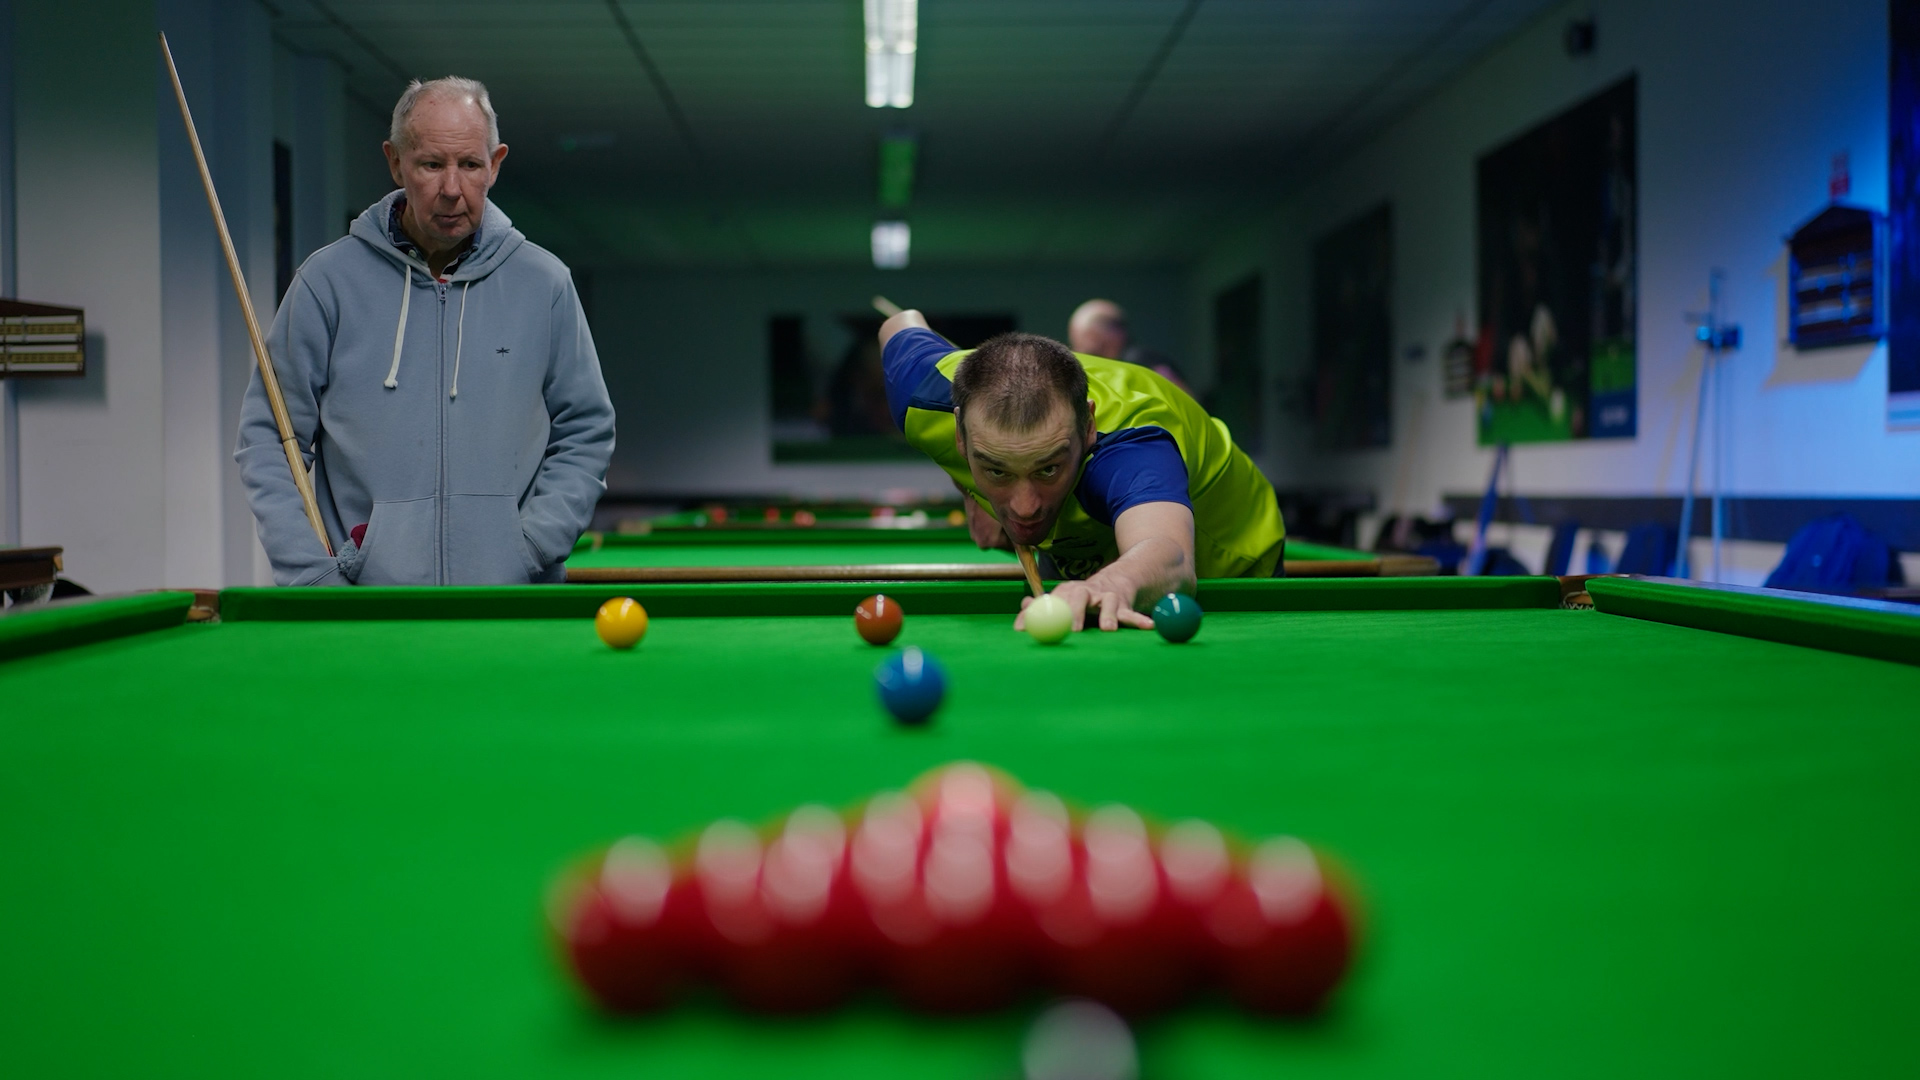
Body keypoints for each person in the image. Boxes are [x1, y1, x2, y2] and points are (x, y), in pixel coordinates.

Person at [236, 77, 615, 586]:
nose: (452, 189)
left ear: (495, 164)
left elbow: (586, 430)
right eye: (432, 164)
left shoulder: (544, 283)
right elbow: (269, 439)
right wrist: (311, 574)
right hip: (366, 609)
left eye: (470, 165)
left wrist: (531, 547)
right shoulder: (326, 283)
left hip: (512, 605)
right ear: (396, 162)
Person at [879, 311, 1285, 633]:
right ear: (959, 437)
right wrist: (970, 489)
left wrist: (1107, 585)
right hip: (1088, 540)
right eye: (997, 470)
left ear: (1087, 427)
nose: (1024, 507)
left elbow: (1170, 553)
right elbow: (899, 322)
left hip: (1225, 561)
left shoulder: (1131, 445)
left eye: (1048, 468)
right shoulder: (924, 394)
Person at [1067, 299, 1192, 395]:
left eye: (1081, 336)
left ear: (1100, 334)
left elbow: (1186, 402)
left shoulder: (1141, 362)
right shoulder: (1125, 363)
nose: (1075, 347)